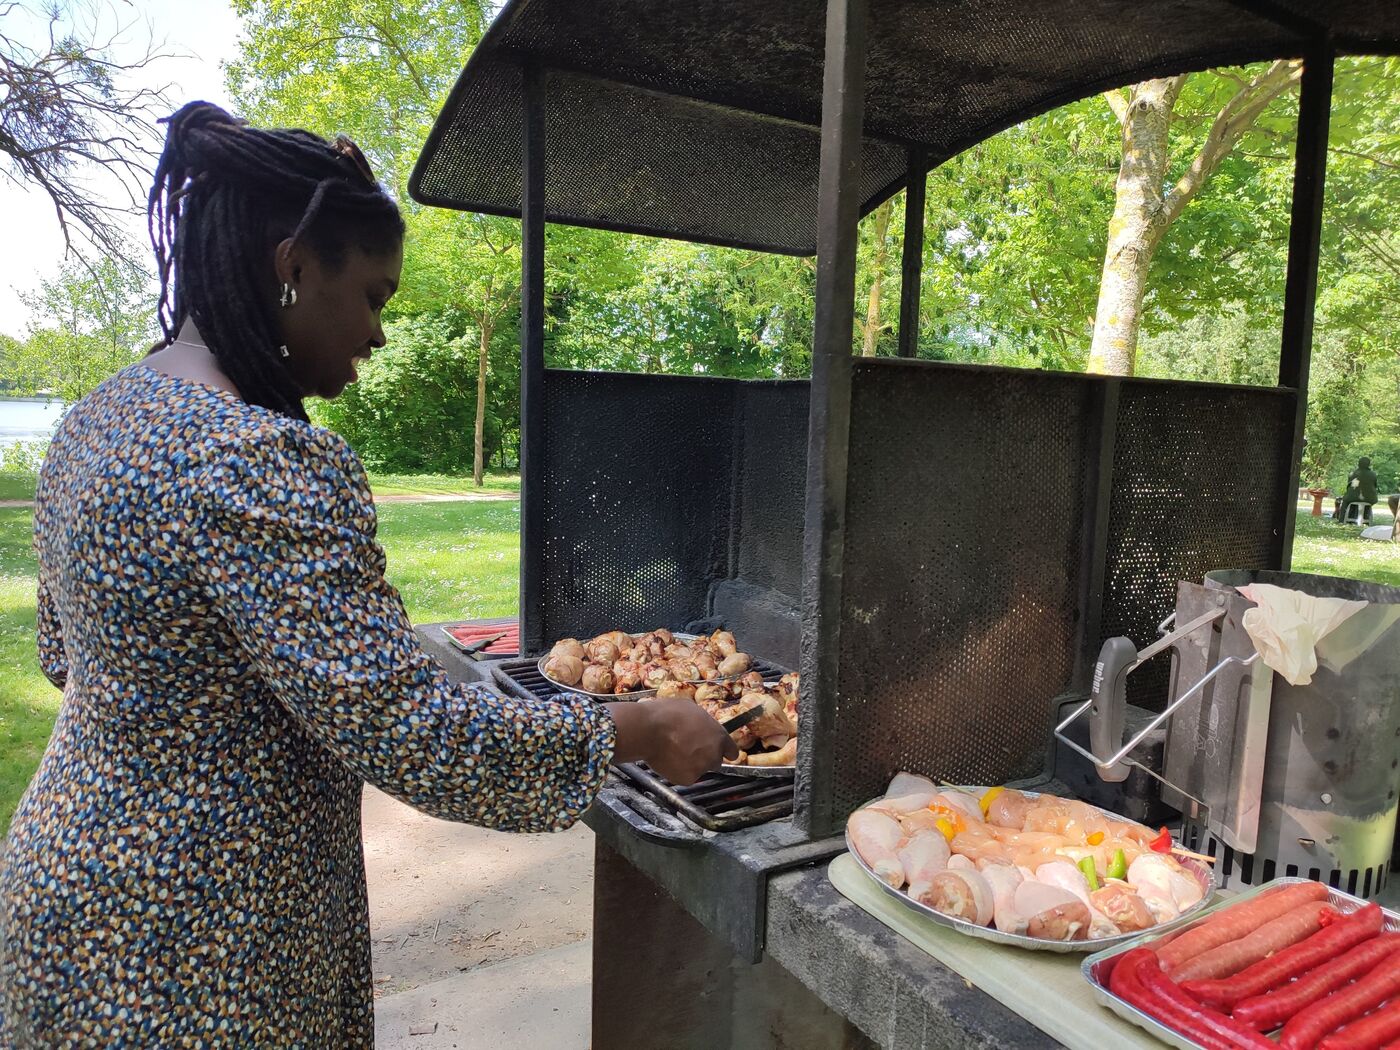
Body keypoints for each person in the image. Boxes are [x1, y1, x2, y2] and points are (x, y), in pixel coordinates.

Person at [0, 101, 737, 1047]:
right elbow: (418, 740)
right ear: (295, 265)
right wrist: (637, 726)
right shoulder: (260, 458)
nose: (381, 333)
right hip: (197, 935)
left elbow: (67, 657)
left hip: (67, 885)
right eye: (376, 296)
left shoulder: (95, 419)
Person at [1338, 456, 1380, 524]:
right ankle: (1365, 518)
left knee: (1345, 501)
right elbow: (1375, 486)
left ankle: (1342, 520)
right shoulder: (1373, 474)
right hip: (1370, 499)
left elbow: (1349, 486)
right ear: (1369, 464)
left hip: (1353, 497)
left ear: (1359, 464)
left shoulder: (1353, 474)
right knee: (1365, 502)